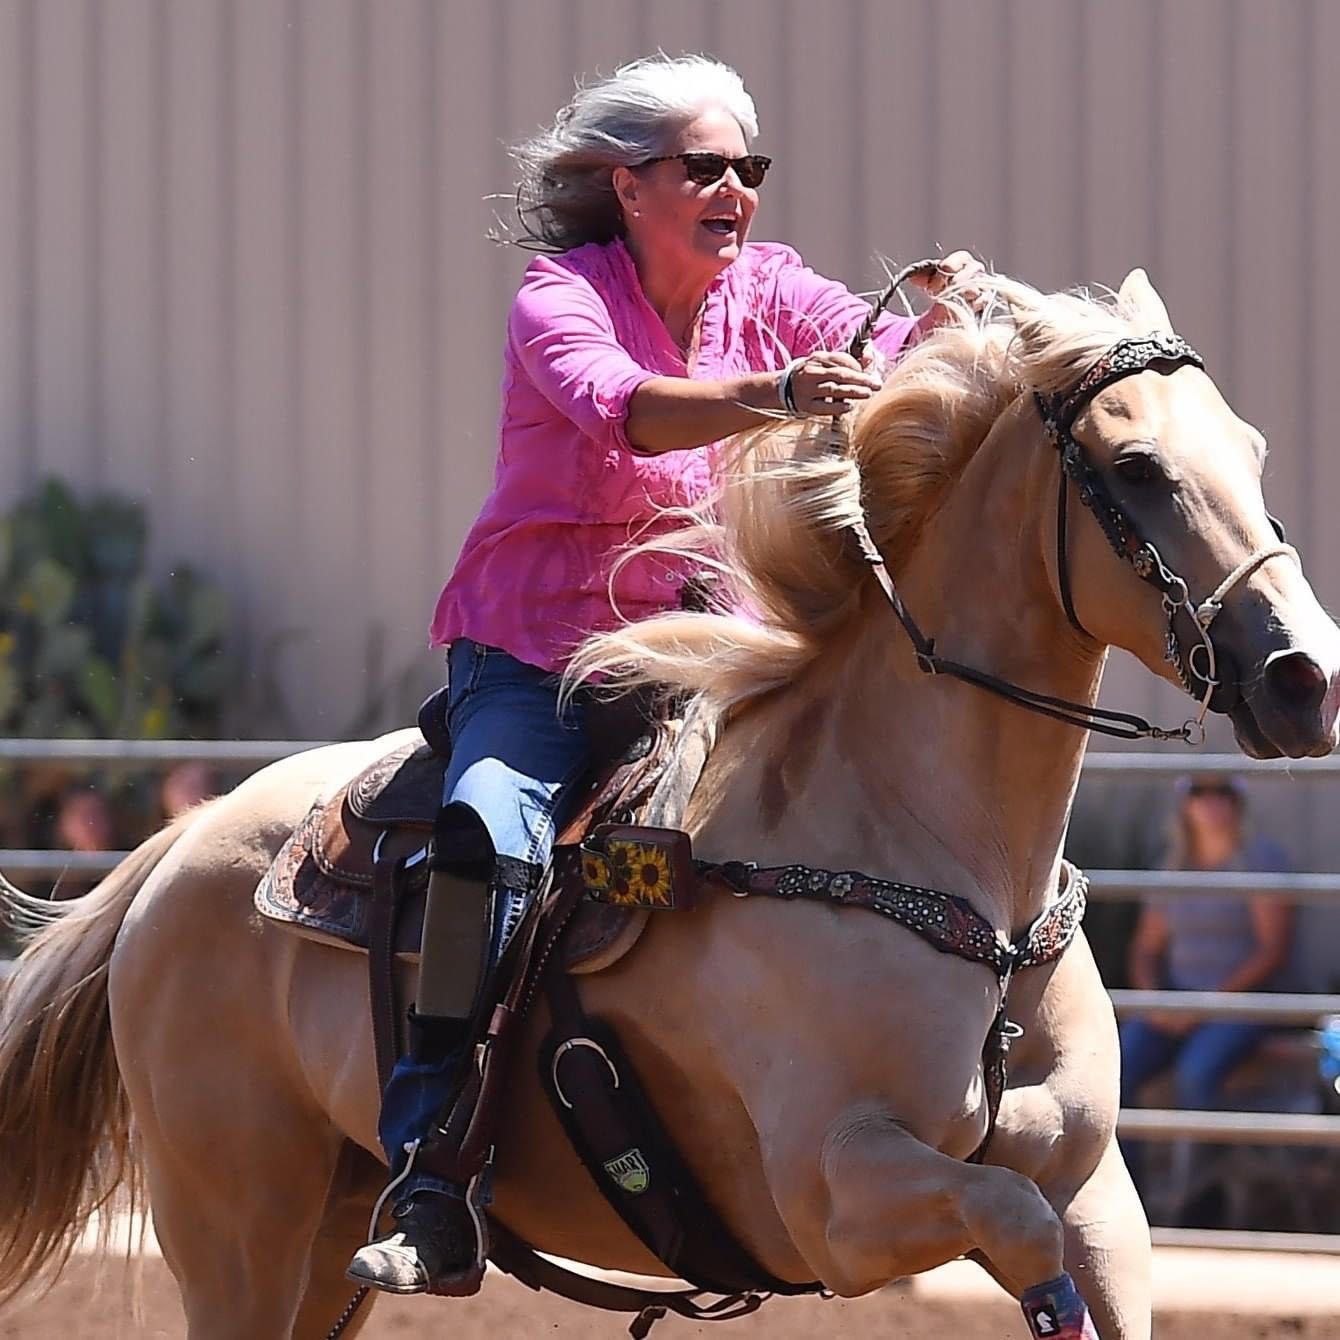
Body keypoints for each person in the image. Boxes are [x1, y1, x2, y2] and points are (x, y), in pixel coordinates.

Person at [347, 52, 983, 1295]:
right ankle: (431, 1170)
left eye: (749, 167)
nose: (735, 189)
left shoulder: (775, 287)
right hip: (537, 654)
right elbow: (621, 407)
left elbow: (887, 353)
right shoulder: (556, 294)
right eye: (705, 167)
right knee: (489, 839)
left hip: (707, 647)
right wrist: (778, 394)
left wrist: (945, 327)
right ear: (625, 185)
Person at [1119, 775, 1295, 1197]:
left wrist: (1204, 1005)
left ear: (1238, 803)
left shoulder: (1260, 861)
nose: (1212, 802)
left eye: (1223, 793)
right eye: (1200, 792)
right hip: (1174, 1003)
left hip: (1242, 1006)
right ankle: (1129, 1191)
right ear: (1185, 805)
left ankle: (1200, 1196)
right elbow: (1145, 948)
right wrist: (1153, 999)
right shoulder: (1173, 866)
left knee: (1196, 1074)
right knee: (1118, 1067)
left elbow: (1272, 951)